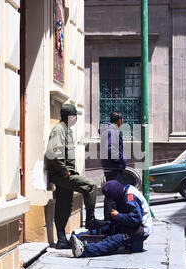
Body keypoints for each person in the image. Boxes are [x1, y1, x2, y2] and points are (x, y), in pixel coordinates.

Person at [45, 103, 107, 249]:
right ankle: (90, 220)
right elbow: (52, 152)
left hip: (66, 174)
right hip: (62, 175)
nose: (76, 119)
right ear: (70, 117)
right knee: (90, 186)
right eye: (75, 116)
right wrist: (64, 170)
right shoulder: (58, 130)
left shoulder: (67, 131)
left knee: (64, 205)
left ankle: (61, 240)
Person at [69, 180, 153, 258]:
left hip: (139, 230)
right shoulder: (124, 192)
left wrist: (118, 216)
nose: (113, 200)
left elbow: (135, 219)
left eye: (112, 198)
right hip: (129, 225)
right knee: (106, 227)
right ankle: (77, 237)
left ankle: (84, 251)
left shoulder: (130, 197)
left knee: (112, 240)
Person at [99, 111, 127, 182]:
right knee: (114, 189)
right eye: (122, 120)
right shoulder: (112, 131)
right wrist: (121, 160)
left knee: (112, 188)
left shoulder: (109, 130)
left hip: (110, 166)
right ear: (119, 120)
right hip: (114, 167)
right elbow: (110, 149)